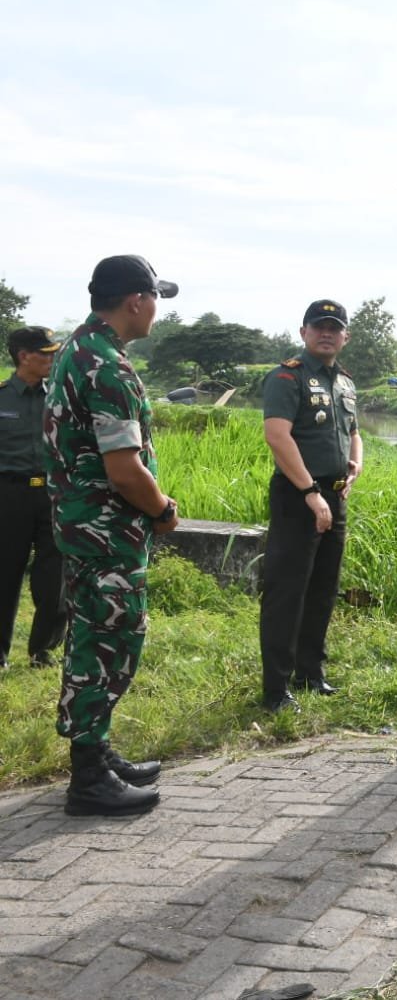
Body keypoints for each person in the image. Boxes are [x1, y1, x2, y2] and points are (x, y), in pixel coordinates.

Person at [43, 255, 180, 817]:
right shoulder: (108, 367)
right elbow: (124, 469)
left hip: (84, 525)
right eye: (156, 300)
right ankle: (89, 779)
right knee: (107, 640)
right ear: (135, 302)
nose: (157, 311)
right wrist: (163, 508)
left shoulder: (78, 350)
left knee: (91, 633)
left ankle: (94, 752)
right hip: (107, 531)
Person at [258, 300, 363, 713]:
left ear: (344, 337)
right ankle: (276, 689)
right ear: (303, 332)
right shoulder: (288, 377)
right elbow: (277, 437)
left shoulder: (345, 383)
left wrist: (355, 465)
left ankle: (310, 673)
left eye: (334, 328)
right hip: (298, 495)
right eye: (318, 327)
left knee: (322, 588)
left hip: (334, 494)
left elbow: (355, 432)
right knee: (287, 591)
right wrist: (309, 492)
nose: (326, 333)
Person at [0, 326, 67, 670]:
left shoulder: (58, 398)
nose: (52, 359)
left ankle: (43, 649)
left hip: (52, 494)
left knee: (54, 576)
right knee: (5, 574)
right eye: (46, 353)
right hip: (9, 495)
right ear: (24, 356)